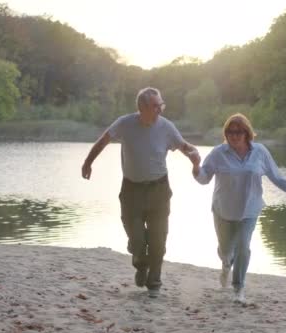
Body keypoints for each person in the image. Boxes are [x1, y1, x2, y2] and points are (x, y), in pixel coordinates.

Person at [81, 87, 200, 298]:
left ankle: (154, 282)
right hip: (131, 190)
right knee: (136, 239)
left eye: (161, 105)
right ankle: (140, 263)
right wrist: (88, 162)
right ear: (142, 107)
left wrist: (194, 156)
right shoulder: (125, 124)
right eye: (156, 106)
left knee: (158, 239)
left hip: (159, 190)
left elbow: (184, 146)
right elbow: (104, 140)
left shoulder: (166, 127)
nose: (160, 110)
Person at [192, 113, 286, 304]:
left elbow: (276, 176)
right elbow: (204, 178)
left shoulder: (260, 152)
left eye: (238, 132)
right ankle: (225, 264)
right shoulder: (218, 153)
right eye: (230, 131)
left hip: (249, 210)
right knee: (226, 249)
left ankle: (238, 289)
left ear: (247, 133)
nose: (234, 135)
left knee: (243, 247)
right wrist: (196, 166)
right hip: (223, 210)